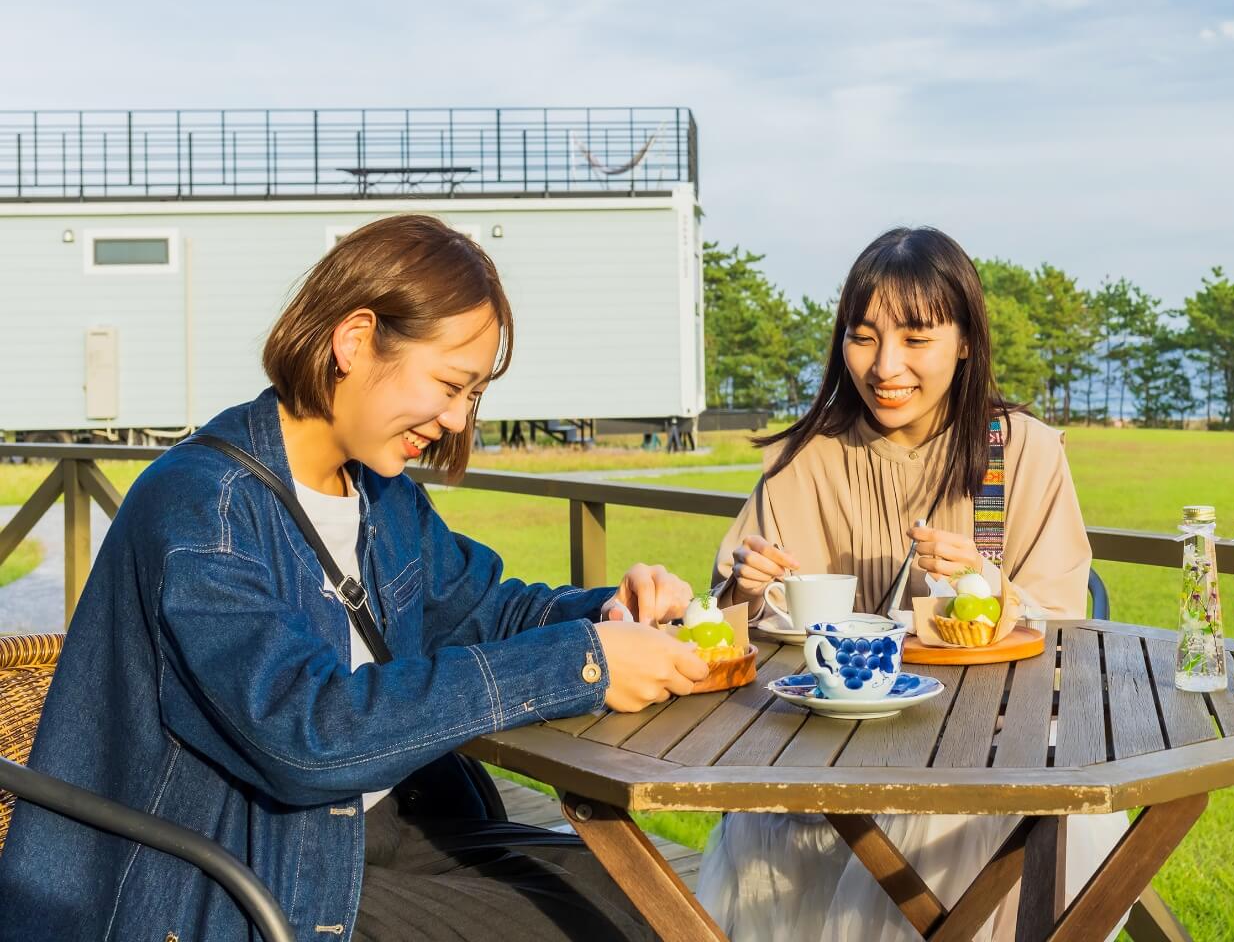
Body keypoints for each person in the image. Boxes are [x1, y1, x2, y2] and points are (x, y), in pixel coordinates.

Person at [0, 214, 709, 941]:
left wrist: (610, 617)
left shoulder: (380, 492)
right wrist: (580, 665)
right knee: (595, 926)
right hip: (235, 874)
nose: (458, 419)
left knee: (623, 892)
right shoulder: (200, 510)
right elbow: (307, 733)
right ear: (355, 339)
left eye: (474, 396)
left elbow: (479, 612)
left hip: (381, 829)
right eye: (451, 383)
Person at [697, 226, 1122, 942]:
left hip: (991, 753)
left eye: (916, 339)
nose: (885, 366)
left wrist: (985, 583)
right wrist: (743, 592)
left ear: (964, 341)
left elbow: (1065, 626)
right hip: (829, 758)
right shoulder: (806, 459)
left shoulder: (1019, 450)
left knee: (973, 823)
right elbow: (729, 636)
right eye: (863, 338)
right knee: (760, 832)